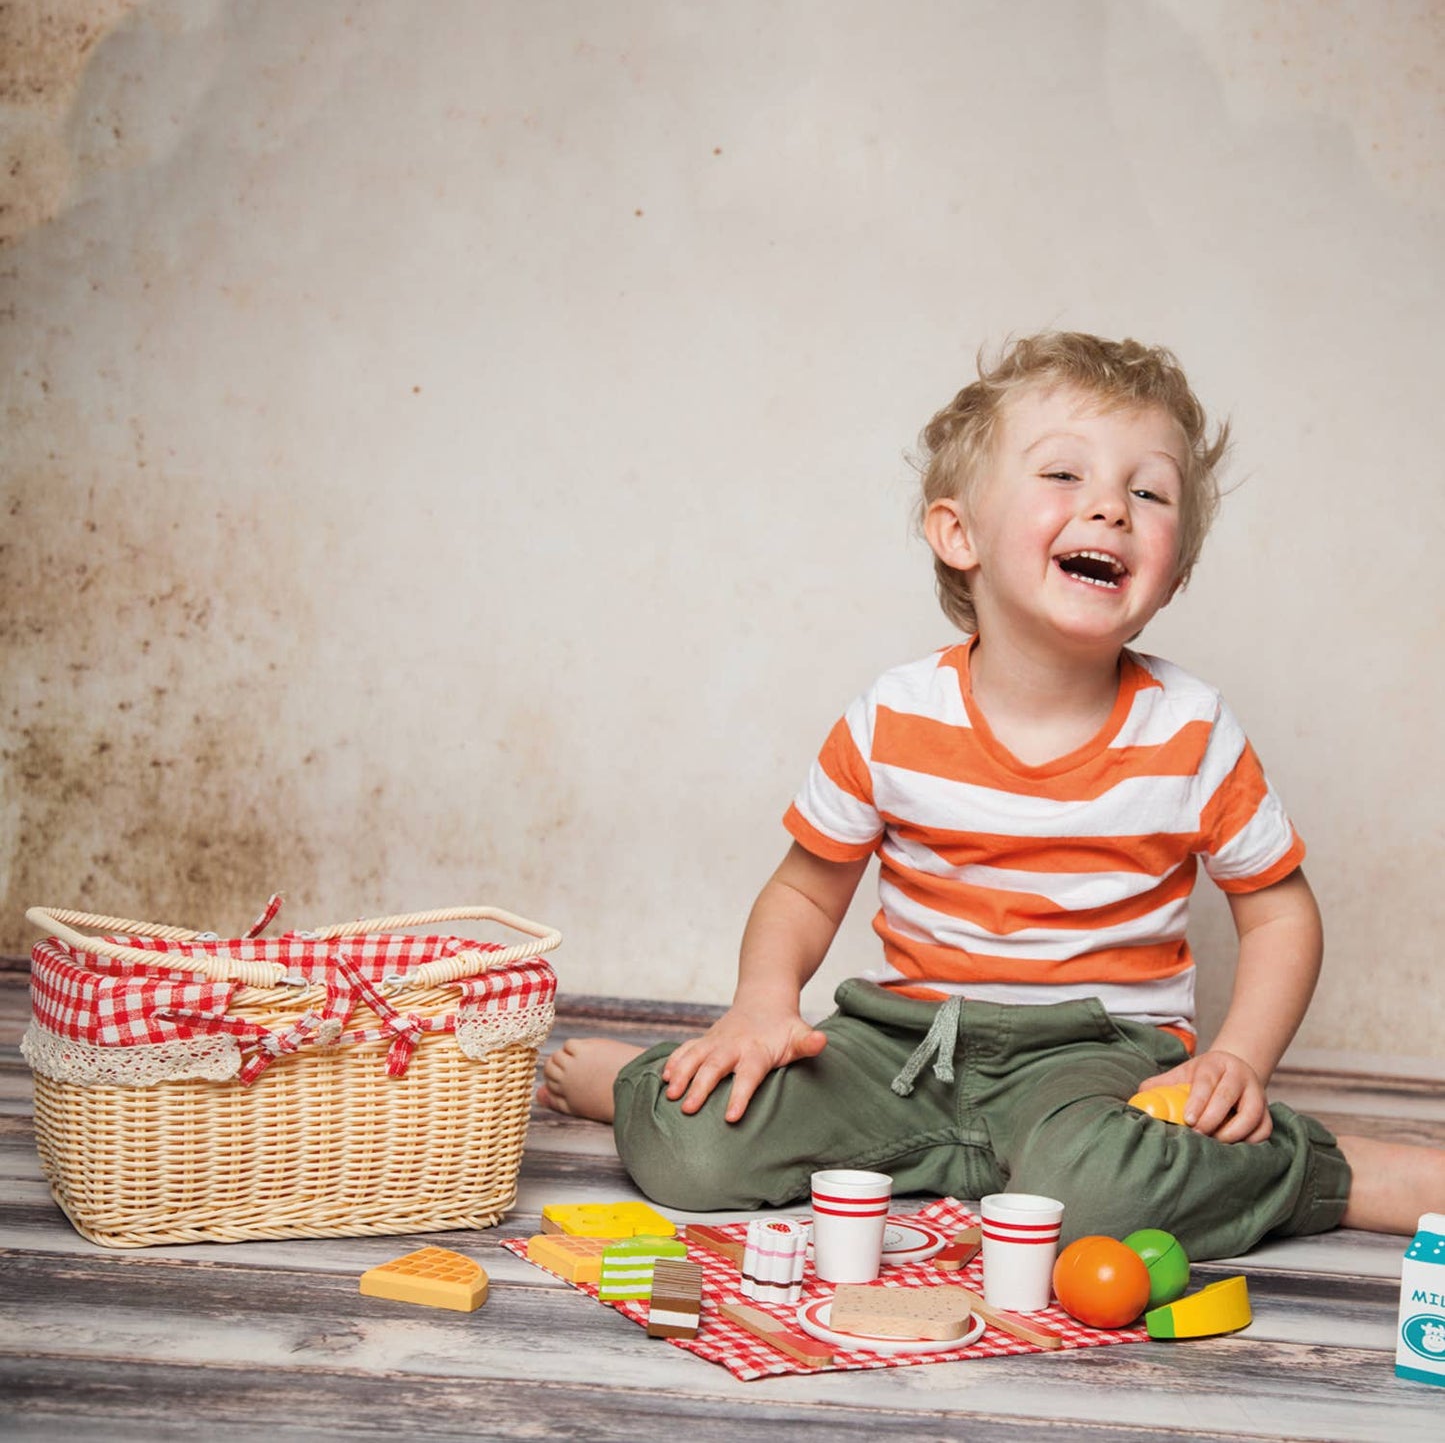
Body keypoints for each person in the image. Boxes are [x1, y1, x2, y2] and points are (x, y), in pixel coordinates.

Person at [539, 332, 1443, 1259]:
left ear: (1174, 569)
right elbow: (806, 890)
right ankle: (640, 1084)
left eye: (1148, 491)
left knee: (1094, 1200)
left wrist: (1236, 1060)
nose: (1109, 506)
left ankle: (1335, 1171)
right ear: (957, 533)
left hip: (1096, 1056)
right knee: (691, 1142)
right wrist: (763, 1001)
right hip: (904, 1046)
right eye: (1063, 473)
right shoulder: (892, 715)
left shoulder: (1192, 731)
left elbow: (1280, 915)